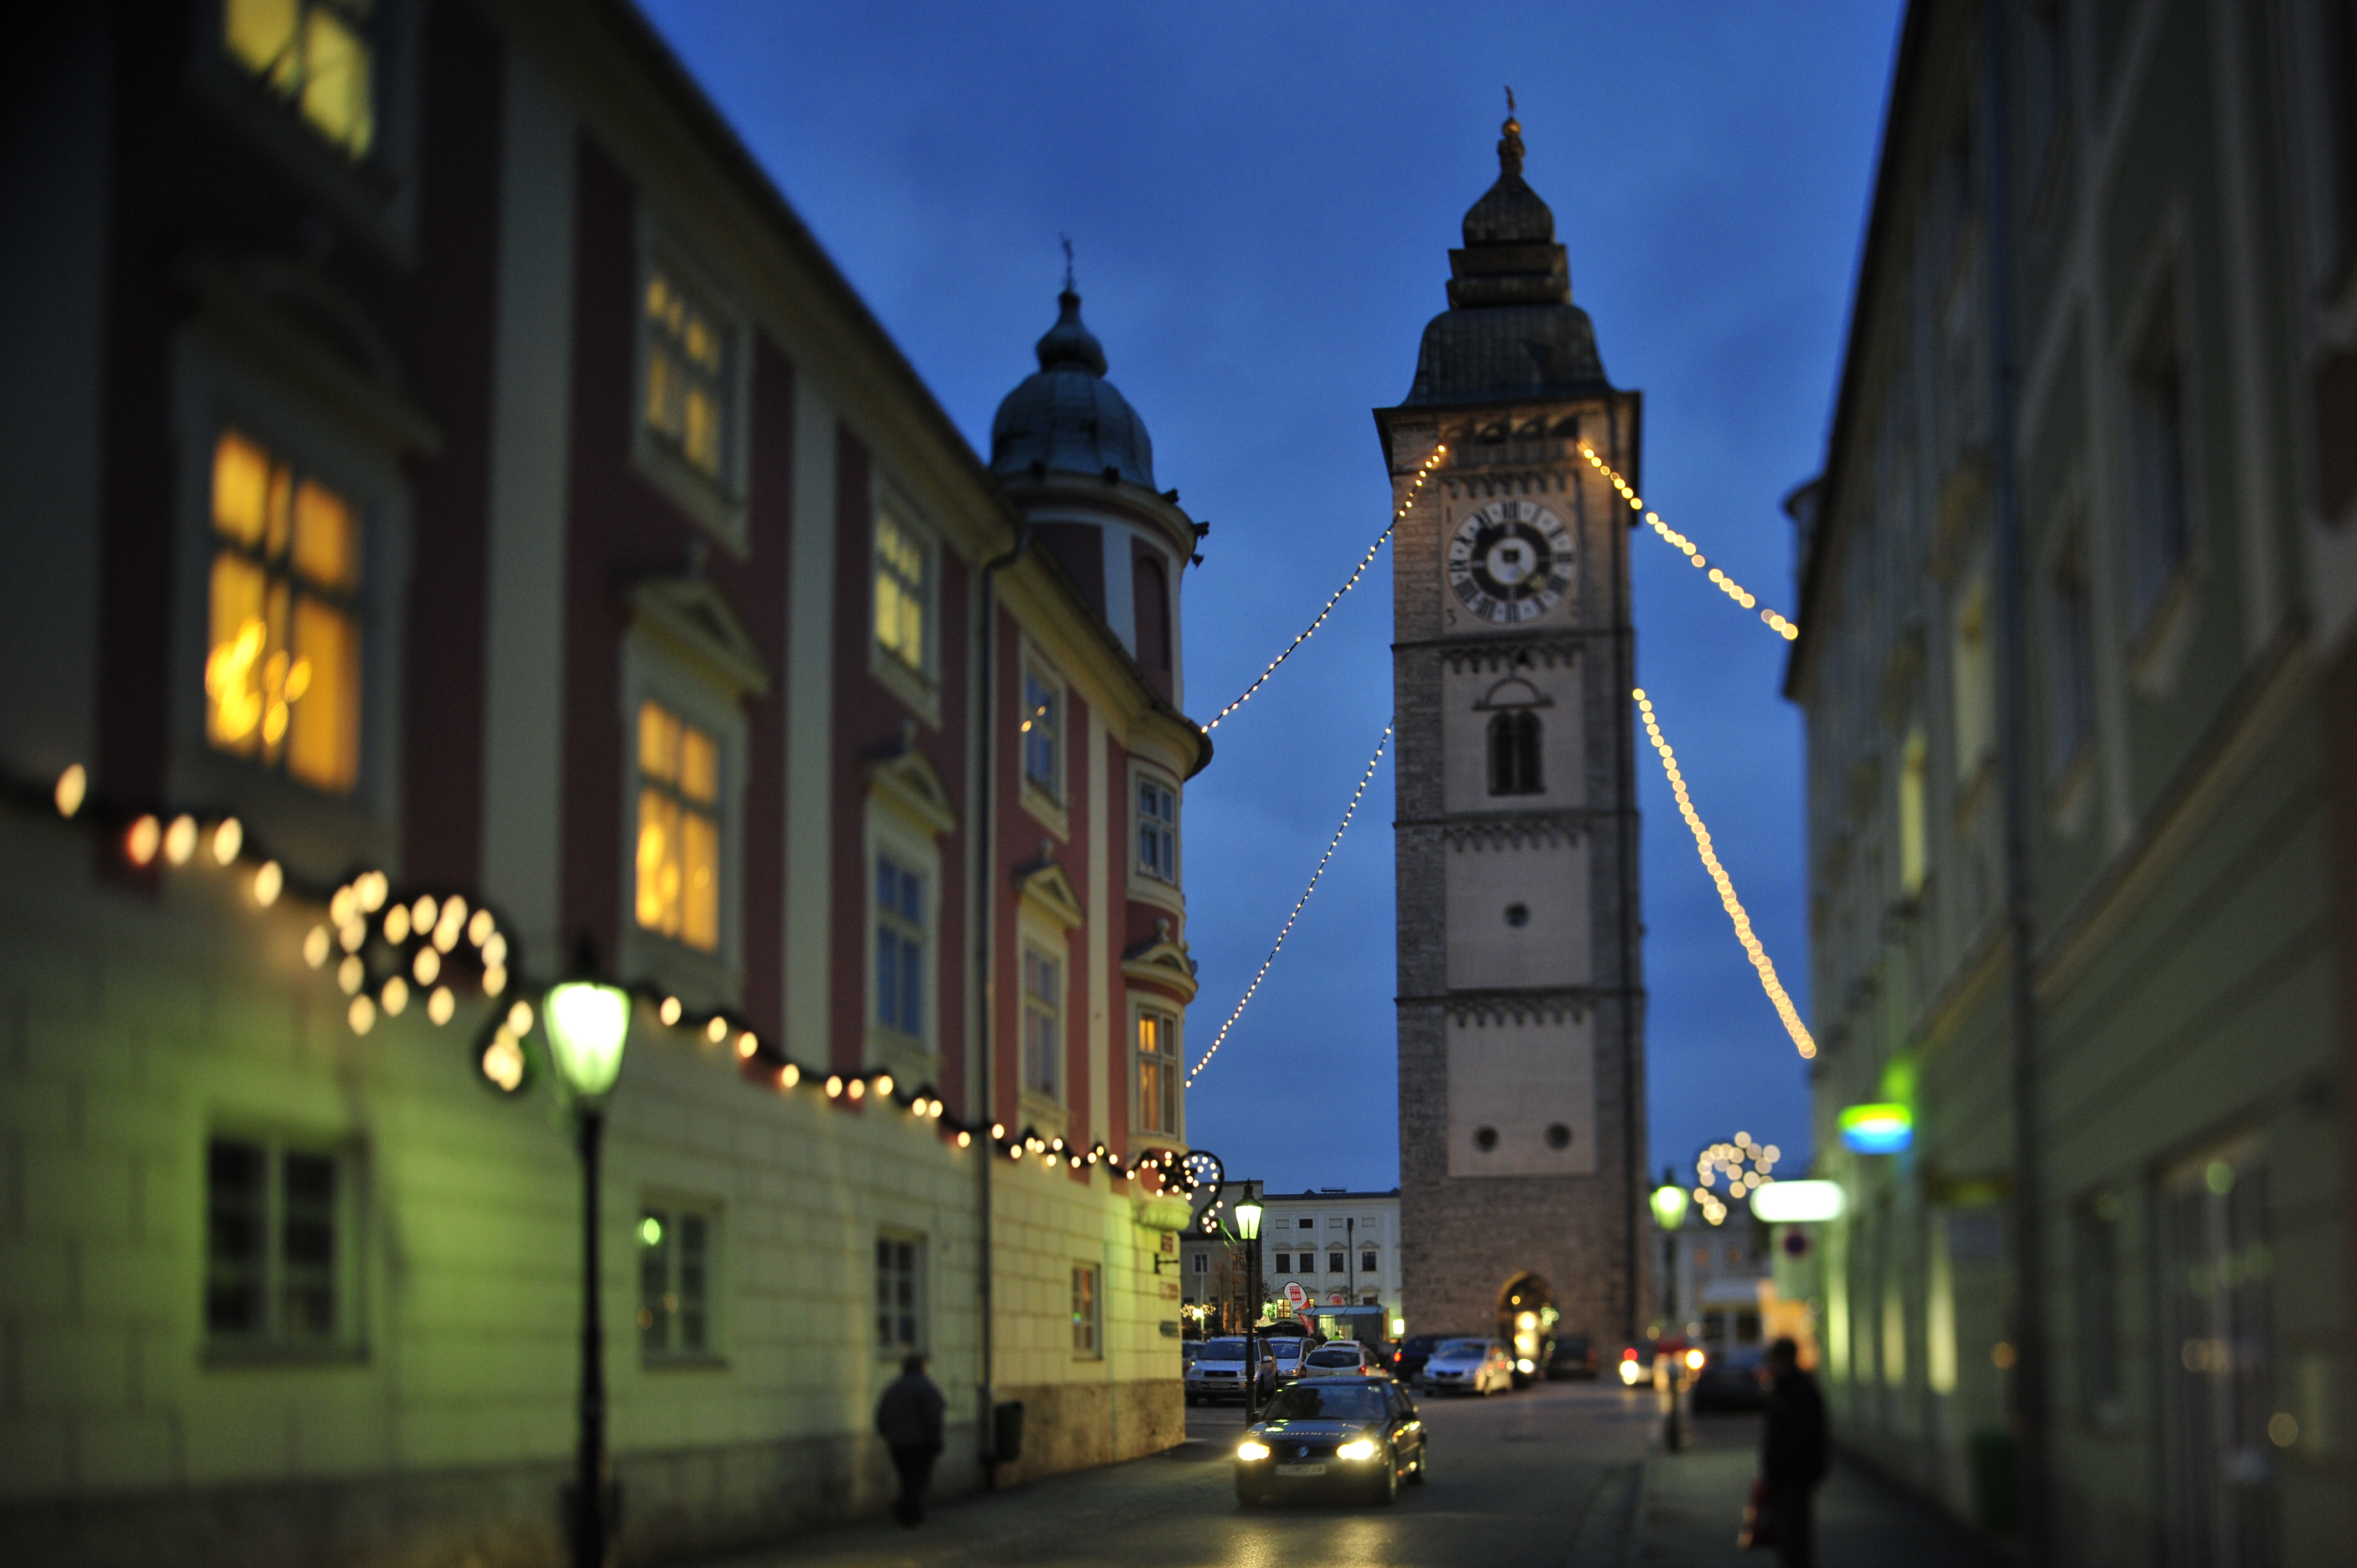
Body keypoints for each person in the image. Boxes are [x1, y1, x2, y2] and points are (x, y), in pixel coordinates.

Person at [1759, 1337, 1829, 1567]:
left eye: (1773, 1361)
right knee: (1792, 1535)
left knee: (1793, 1537)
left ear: (1784, 1360)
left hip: (1793, 1476)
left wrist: (1777, 1467)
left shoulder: (1794, 1391)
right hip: (1793, 1475)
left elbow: (1799, 1437)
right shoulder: (1794, 1388)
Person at [874, 1353, 946, 1526]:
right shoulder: (926, 1387)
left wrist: (887, 1433)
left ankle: (910, 1510)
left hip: (897, 1443)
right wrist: (935, 1438)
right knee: (919, 1478)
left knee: (906, 1477)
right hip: (920, 1442)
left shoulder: (894, 1388)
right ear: (922, 1368)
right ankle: (908, 1512)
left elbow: (881, 1414)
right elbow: (935, 1414)